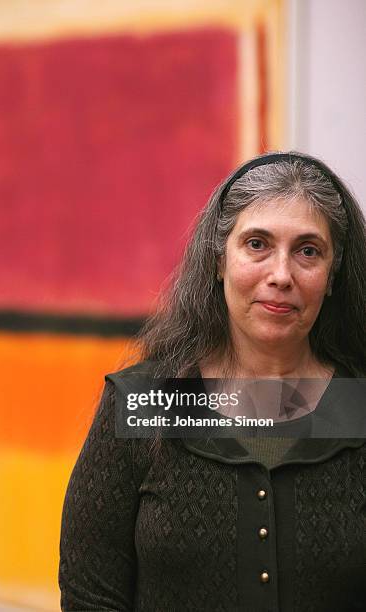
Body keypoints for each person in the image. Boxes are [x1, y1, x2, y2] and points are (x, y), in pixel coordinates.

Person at [59, 152, 366, 611]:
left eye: (308, 251)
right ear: (219, 260)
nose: (281, 275)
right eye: (257, 244)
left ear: (333, 273)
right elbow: (91, 596)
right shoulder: (146, 403)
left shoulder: (359, 407)